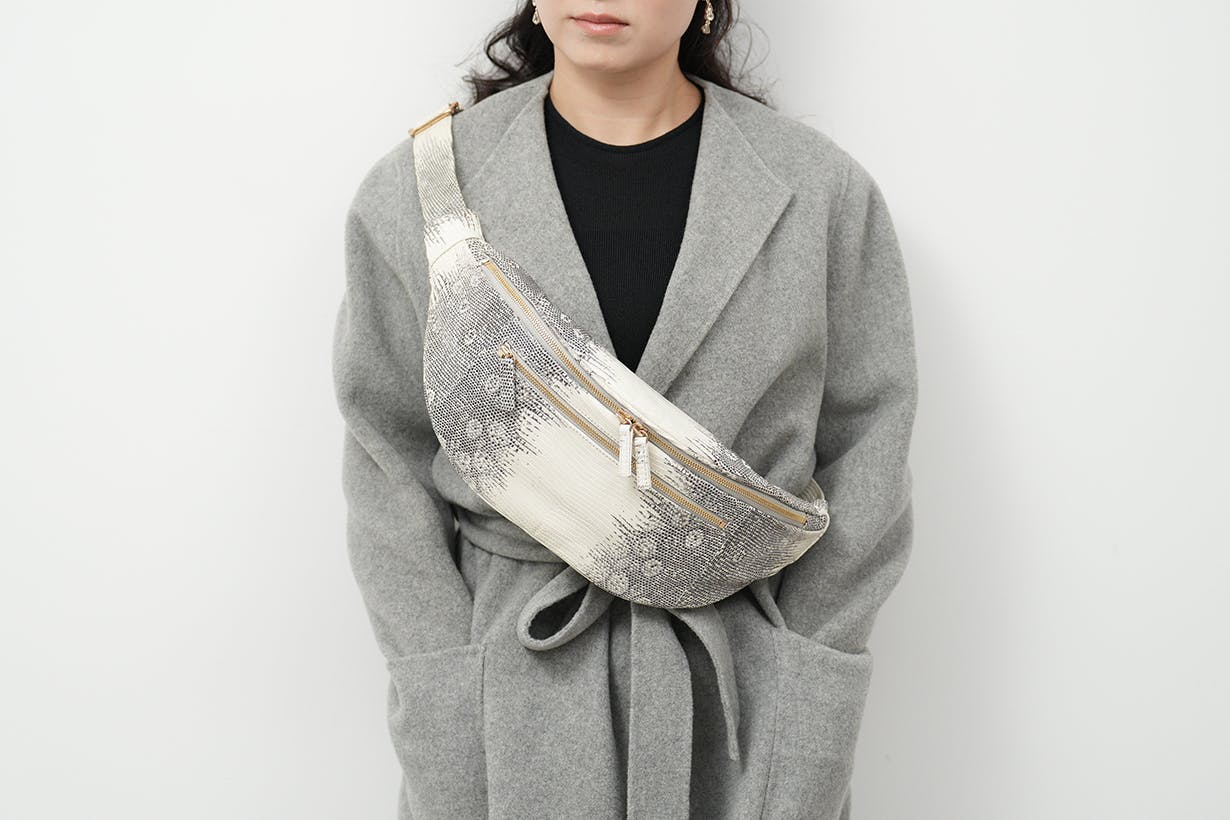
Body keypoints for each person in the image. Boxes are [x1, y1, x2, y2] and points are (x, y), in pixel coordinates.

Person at [331, 1, 919, 817]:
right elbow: (386, 461)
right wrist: (443, 676)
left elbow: (869, 453)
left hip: (743, 697)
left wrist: (808, 670)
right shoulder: (421, 192)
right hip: (511, 688)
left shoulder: (823, 194)